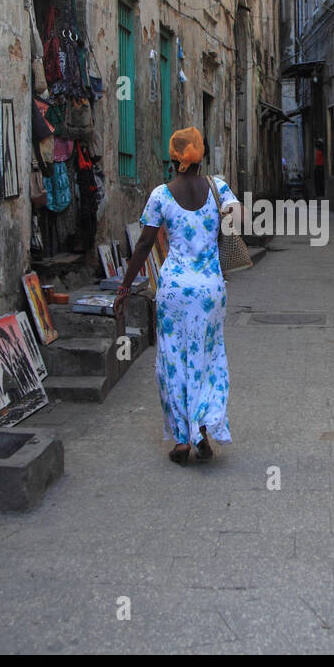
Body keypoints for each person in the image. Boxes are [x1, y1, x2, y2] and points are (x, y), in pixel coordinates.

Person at [115, 127, 244, 465]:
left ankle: (182, 441)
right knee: (208, 358)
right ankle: (203, 430)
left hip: (174, 290)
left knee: (174, 361)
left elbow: (144, 245)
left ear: (173, 160)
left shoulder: (161, 195)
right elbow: (234, 224)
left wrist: (125, 287)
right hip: (210, 290)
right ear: (201, 157)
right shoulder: (219, 188)